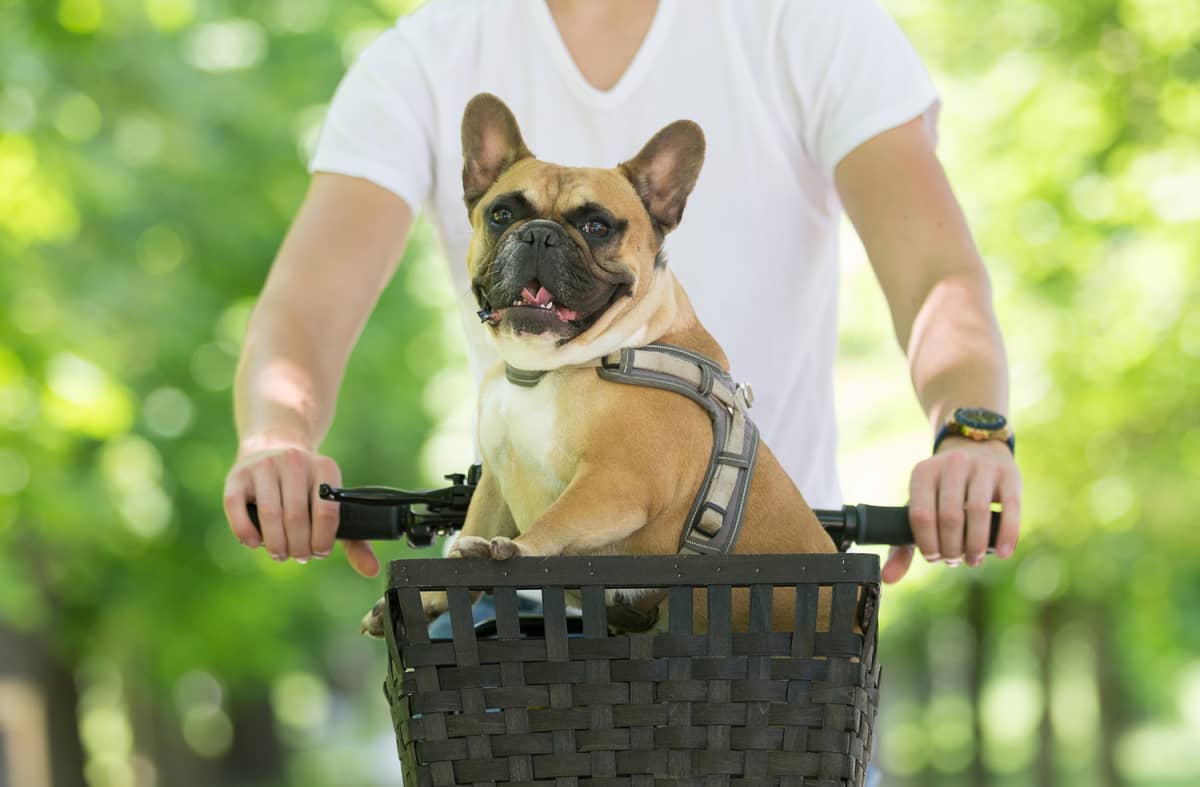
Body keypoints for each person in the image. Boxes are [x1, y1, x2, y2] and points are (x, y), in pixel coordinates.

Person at [223, 0, 1022, 586]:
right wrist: (276, 440)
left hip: (762, 593)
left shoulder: (811, 25)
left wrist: (971, 431)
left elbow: (935, 276)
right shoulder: (422, 57)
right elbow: (306, 307)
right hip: (525, 606)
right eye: (509, 217)